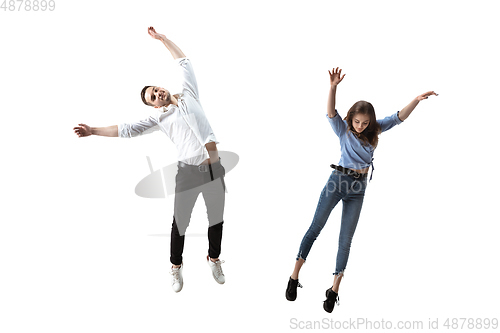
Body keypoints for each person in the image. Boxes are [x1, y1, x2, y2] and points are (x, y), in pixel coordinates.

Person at [73, 27, 227, 293]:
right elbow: (126, 129)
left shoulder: (189, 94)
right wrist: (93, 131)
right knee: (181, 222)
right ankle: (175, 267)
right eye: (153, 97)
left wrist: (163, 40)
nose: (157, 94)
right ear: (155, 106)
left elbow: (184, 62)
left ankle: (214, 259)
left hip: (214, 167)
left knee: (216, 219)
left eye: (156, 90)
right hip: (188, 172)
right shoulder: (159, 118)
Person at [285, 67, 437, 312]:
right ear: (351, 118)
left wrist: (416, 101)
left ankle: (333, 290)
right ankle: (294, 277)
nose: (360, 126)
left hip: (358, 188)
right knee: (316, 227)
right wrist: (333, 87)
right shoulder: (343, 129)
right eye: (357, 121)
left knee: (345, 240)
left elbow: (399, 117)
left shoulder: (374, 130)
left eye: (364, 123)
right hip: (337, 182)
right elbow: (330, 112)